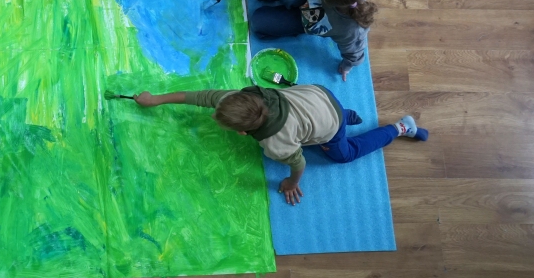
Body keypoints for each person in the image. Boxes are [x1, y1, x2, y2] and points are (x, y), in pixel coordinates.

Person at [134, 85, 428, 204]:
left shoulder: (276, 145)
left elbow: (299, 162)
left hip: (329, 124)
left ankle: (400, 128)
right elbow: (199, 97)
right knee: (325, 113)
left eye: (219, 119)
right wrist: (155, 99)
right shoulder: (244, 98)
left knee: (344, 154)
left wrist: (290, 182)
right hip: (318, 94)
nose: (212, 114)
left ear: (244, 132)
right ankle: (346, 113)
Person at [224, 0, 377, 81]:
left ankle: (291, 24)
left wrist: (348, 65)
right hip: (309, 2)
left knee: (258, 22)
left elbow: (354, 50)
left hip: (310, 23)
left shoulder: (351, 29)